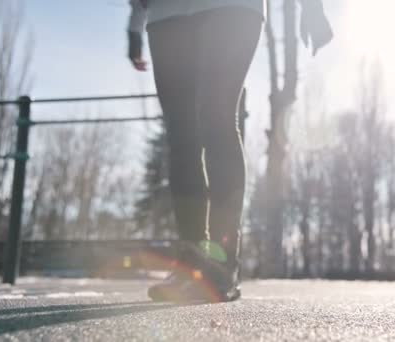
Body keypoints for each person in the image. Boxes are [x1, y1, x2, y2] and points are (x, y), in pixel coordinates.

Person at [128, 0, 333, 303]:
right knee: (180, 136)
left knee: (216, 119)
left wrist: (312, 8)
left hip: (231, 8)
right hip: (166, 14)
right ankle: (190, 262)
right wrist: (134, 24)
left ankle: (221, 267)